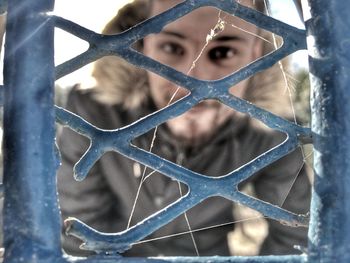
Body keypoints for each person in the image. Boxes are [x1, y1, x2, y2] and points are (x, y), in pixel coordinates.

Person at [57, 0, 311, 257]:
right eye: (172, 47)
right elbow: (78, 228)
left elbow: (295, 234)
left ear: (257, 54)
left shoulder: (274, 130)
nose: (195, 77)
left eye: (223, 52)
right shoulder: (95, 113)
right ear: (144, 47)